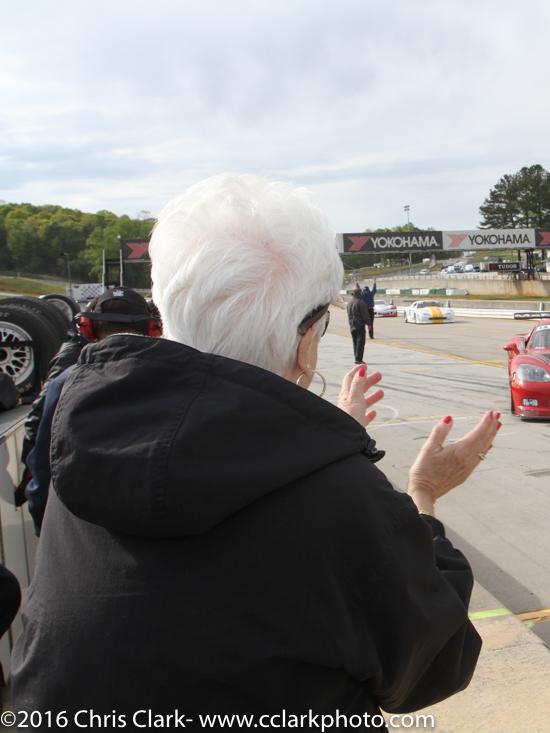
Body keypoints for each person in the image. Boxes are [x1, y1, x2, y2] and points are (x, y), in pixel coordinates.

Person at [13, 174, 501, 719]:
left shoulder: (89, 430)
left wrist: (316, 447)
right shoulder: (338, 497)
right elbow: (433, 663)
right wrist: (423, 493)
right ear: (306, 340)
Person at [24, 287, 160, 535]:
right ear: (152, 329)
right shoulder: (180, 378)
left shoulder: (64, 383)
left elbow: (44, 467)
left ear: (88, 329)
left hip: (79, 534)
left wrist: (43, 532)